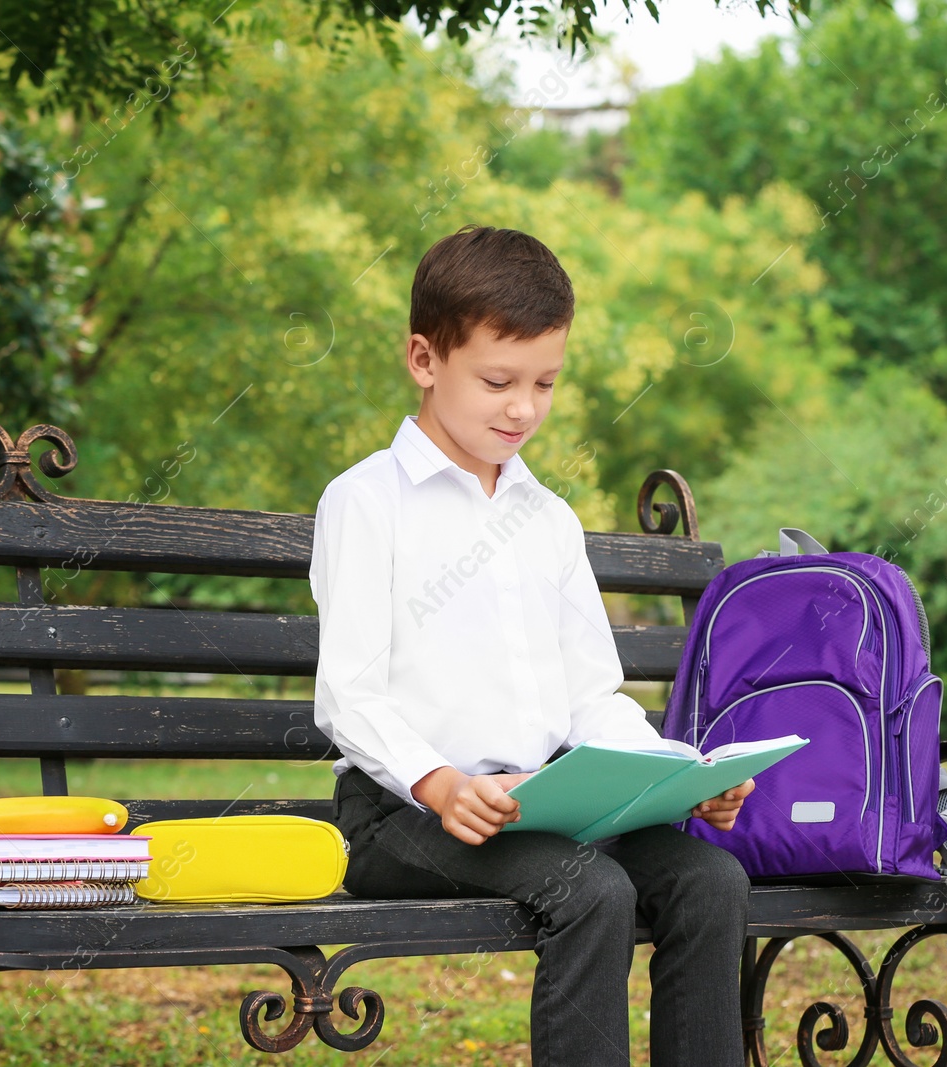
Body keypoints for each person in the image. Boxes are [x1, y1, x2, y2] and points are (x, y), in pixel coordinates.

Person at [310, 223, 755, 1067]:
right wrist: (439, 784)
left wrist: (680, 777)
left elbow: (591, 692)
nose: (524, 407)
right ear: (424, 359)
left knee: (710, 881)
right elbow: (349, 697)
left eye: (546, 382)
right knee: (590, 890)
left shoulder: (546, 519)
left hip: (548, 804)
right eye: (498, 380)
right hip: (404, 814)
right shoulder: (367, 502)